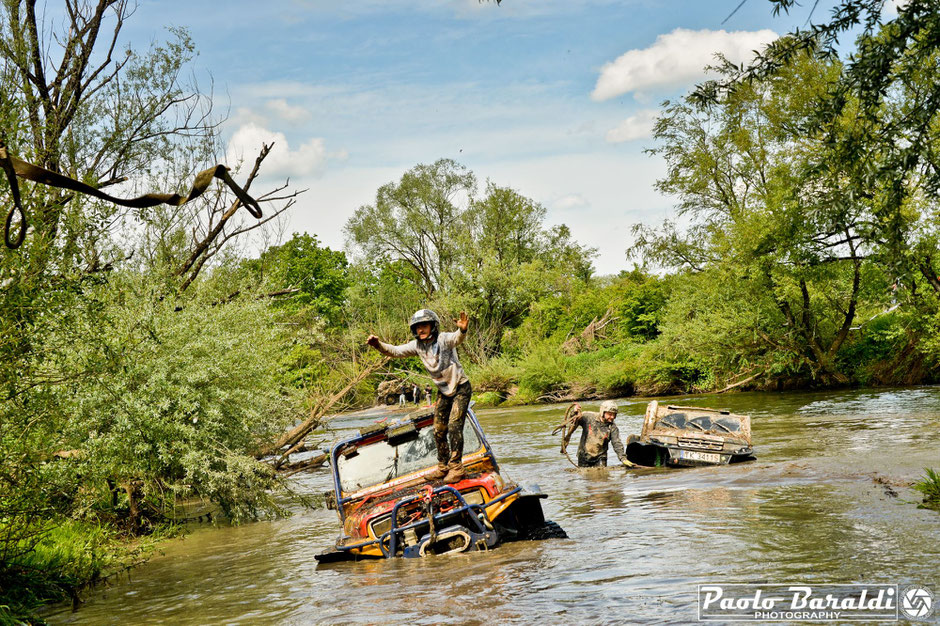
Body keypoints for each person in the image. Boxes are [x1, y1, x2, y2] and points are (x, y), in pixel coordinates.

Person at [367, 309, 472, 483]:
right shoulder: (417, 346)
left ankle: (456, 468)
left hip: (461, 387)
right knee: (438, 430)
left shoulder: (444, 339)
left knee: (454, 426)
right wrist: (378, 345)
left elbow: (457, 338)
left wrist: (462, 330)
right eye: (417, 327)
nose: (421, 330)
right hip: (444, 392)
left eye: (424, 326)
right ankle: (443, 466)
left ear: (433, 326)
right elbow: (394, 351)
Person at [561, 400, 635, 468]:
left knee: (602, 479)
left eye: (614, 415)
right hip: (584, 455)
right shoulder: (588, 417)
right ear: (603, 412)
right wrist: (574, 411)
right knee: (585, 480)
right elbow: (573, 420)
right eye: (609, 414)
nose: (612, 417)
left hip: (601, 457)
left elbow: (617, 443)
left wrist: (623, 458)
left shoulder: (612, 427)